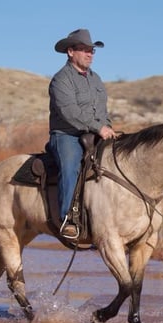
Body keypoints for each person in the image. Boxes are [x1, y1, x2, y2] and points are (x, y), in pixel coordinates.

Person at [48, 28, 116, 239]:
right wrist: (99, 128)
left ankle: (107, 221)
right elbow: (70, 113)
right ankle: (68, 218)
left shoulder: (96, 80)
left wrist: (108, 127)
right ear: (70, 52)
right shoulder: (61, 80)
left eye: (92, 51)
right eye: (85, 50)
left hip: (95, 134)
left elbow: (103, 110)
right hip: (66, 135)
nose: (90, 54)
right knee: (71, 166)